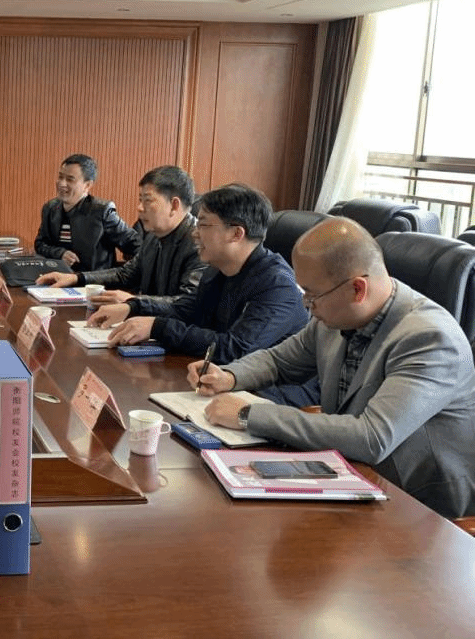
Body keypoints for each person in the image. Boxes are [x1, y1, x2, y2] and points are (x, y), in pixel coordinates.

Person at [189, 217, 475, 518]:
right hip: (347, 473)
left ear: (357, 289)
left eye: (312, 295)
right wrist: (229, 375)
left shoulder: (430, 339)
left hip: (418, 506)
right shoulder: (336, 314)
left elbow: (371, 438)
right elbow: (279, 360)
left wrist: (248, 414)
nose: (306, 305)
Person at [89, 183, 308, 363]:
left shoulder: (277, 285)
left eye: (203, 225)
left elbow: (235, 349)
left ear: (236, 233)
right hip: (216, 378)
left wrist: (158, 327)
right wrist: (132, 307)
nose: (194, 233)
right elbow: (185, 310)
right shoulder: (218, 269)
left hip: (268, 393)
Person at [35, 165, 205, 310]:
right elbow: (125, 275)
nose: (139, 208)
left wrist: (133, 302)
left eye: (147, 200)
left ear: (174, 205)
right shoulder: (153, 237)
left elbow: (188, 304)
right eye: (140, 200)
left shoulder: (200, 244)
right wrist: (76, 278)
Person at [33, 153, 141, 272]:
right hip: (56, 277)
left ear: (87, 185)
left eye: (70, 179)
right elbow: (40, 244)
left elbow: (135, 244)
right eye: (60, 177)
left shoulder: (102, 210)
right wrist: (59, 253)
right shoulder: (50, 208)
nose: (62, 184)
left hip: (91, 280)